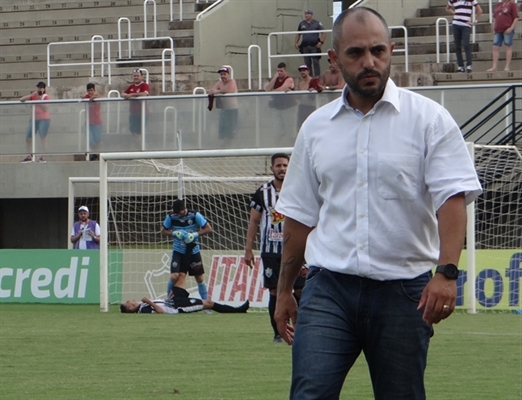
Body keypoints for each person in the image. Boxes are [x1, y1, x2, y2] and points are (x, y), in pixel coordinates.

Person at [274, 7, 483, 399]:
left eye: (378, 50)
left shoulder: (429, 120)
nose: (369, 62)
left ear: (391, 50)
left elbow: (451, 200)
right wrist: (284, 290)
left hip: (404, 291)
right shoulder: (316, 129)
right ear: (334, 59)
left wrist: (447, 273)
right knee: (309, 393)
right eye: (355, 53)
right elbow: (299, 218)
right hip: (328, 288)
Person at [244, 153, 306, 343]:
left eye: (285, 165)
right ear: (272, 169)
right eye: (278, 165)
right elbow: (254, 221)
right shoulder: (262, 192)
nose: (282, 169)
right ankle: (278, 334)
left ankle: (302, 331)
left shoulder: (299, 190)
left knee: (300, 291)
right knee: (274, 291)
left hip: (296, 250)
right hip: (271, 251)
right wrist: (248, 249)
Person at [160, 199, 212, 304]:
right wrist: (174, 233)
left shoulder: (195, 215)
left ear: (184, 209)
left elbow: (208, 228)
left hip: (193, 250)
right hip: (178, 251)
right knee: (174, 276)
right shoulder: (171, 217)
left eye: (180, 213)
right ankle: (169, 301)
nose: (179, 215)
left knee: (199, 278)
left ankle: (207, 304)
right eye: (177, 213)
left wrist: (195, 234)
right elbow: (163, 230)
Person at [120, 286, 249, 314]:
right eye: (128, 302)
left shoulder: (142, 306)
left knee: (178, 283)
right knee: (208, 303)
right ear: (131, 308)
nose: (131, 300)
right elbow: (161, 313)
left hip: (174, 302)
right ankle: (238, 311)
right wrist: (149, 301)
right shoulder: (144, 310)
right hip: (178, 307)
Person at [446, 0, 483, 72]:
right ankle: (460, 66)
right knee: (457, 46)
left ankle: (469, 65)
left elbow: (479, 10)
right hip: (456, 23)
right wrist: (454, 13)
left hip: (466, 25)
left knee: (466, 44)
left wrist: (475, 22)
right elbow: (447, 8)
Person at [20, 81, 51, 163]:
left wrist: (39, 98)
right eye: (38, 87)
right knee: (28, 137)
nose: (39, 89)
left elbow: (46, 108)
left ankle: (43, 156)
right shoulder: (34, 95)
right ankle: (29, 156)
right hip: (34, 119)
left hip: (44, 119)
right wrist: (32, 95)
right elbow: (21, 99)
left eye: (41, 87)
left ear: (44, 89)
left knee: (43, 138)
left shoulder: (46, 97)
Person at [264, 62, 296, 139]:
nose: (279, 73)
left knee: (290, 130)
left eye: (281, 71)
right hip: (277, 108)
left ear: (285, 71)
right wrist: (275, 78)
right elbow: (266, 89)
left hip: (288, 108)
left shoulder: (289, 79)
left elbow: (282, 89)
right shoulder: (276, 79)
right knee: (277, 131)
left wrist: (272, 92)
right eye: (278, 71)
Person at [208, 66, 239, 145]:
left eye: (224, 74)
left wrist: (217, 91)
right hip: (224, 109)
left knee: (230, 127)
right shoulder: (219, 83)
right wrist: (212, 92)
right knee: (223, 127)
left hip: (232, 109)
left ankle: (229, 144)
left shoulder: (232, 81)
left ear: (228, 74)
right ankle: (224, 144)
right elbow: (212, 90)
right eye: (221, 75)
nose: (223, 76)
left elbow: (230, 90)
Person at [486, 0, 519, 72]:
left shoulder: (512, 4)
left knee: (508, 46)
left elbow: (516, 17)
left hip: (507, 28)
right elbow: (495, 17)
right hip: (498, 29)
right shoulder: (499, 5)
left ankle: (507, 66)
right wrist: (494, 27)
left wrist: (511, 28)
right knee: (495, 47)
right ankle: (494, 66)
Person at [294, 9, 326, 77]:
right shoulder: (302, 23)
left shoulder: (317, 23)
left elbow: (324, 33)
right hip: (305, 46)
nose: (306, 15)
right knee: (307, 63)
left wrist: (321, 42)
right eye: (305, 14)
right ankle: (310, 78)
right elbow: (298, 34)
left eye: (308, 14)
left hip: (314, 46)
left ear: (311, 15)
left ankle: (317, 77)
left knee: (315, 62)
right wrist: (296, 42)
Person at [122, 69, 150, 137]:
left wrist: (132, 95)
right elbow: (123, 93)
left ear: (141, 77)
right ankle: (138, 147)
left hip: (142, 114)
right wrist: (125, 95)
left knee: (139, 133)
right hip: (133, 114)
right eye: (134, 76)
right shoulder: (131, 86)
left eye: (138, 76)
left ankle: (141, 147)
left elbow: (145, 94)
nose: (136, 77)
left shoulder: (144, 85)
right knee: (133, 133)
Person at [296, 64, 321, 130]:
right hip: (302, 107)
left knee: (312, 126)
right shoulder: (300, 83)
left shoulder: (313, 81)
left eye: (304, 70)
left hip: (311, 107)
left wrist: (315, 89)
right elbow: (298, 97)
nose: (302, 72)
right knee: (300, 127)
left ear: (308, 71)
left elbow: (320, 89)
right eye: (301, 71)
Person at [83, 83, 103, 160]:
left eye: (91, 90)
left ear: (94, 90)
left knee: (98, 141)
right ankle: (94, 153)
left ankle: (99, 156)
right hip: (88, 123)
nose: (90, 92)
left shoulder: (97, 97)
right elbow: (83, 98)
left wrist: (93, 98)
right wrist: (89, 99)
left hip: (97, 122)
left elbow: (102, 97)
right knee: (90, 141)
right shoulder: (87, 97)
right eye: (89, 91)